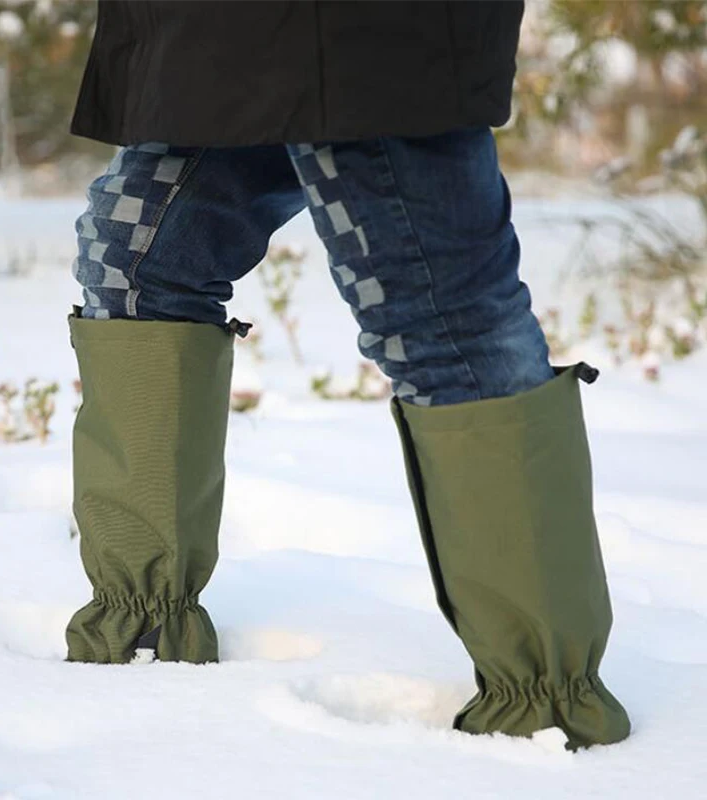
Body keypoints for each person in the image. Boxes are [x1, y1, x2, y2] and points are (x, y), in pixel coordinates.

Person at [65, 0, 630, 750]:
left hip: (364, 28)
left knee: (441, 314)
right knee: (135, 262)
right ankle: (141, 623)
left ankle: (548, 702)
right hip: (207, 24)